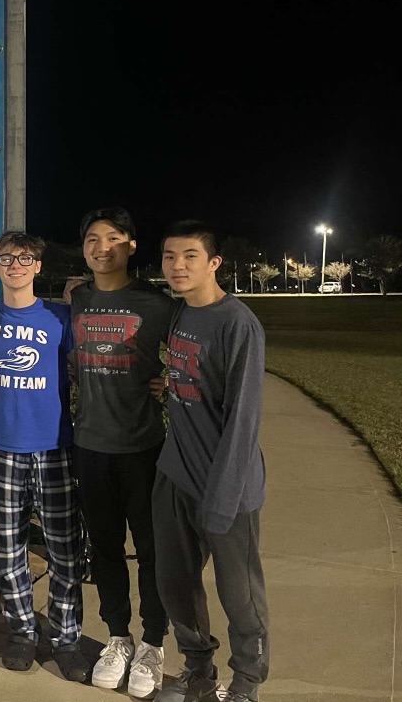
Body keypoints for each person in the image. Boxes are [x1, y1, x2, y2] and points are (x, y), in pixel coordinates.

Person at [153, 221, 269, 702]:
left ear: (214, 263)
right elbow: (188, 376)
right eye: (169, 257)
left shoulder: (237, 324)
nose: (178, 266)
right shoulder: (181, 314)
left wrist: (222, 502)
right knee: (175, 586)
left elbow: (242, 420)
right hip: (175, 476)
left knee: (239, 596)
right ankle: (198, 671)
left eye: (190, 256)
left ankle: (246, 683)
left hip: (227, 487)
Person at [70, 208, 176, 698]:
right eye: (93, 238)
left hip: (142, 447)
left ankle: (154, 642)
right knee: (105, 549)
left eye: (113, 238)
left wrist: (170, 380)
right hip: (90, 447)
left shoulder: (156, 303)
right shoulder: (77, 298)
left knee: (152, 551)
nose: (102, 247)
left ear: (132, 245)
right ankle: (118, 636)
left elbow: (192, 357)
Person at [0, 231, 88, 682]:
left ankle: (66, 637)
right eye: (7, 258)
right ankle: (22, 629)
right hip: (4, 448)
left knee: (65, 550)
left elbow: (91, 368)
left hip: (54, 447)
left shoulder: (60, 318)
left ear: (38, 267)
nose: (16, 265)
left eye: (25, 259)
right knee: (8, 548)